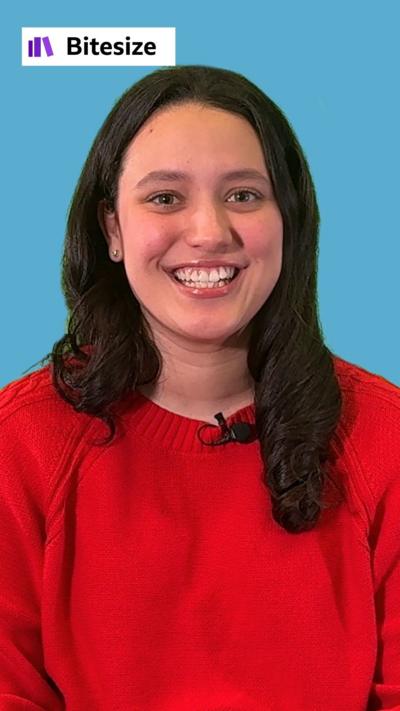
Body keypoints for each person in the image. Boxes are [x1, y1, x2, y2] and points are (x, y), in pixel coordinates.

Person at [0, 65, 399, 711]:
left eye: (244, 194)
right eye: (165, 198)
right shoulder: (19, 443)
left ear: (288, 220)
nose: (210, 231)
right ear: (111, 229)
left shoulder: (387, 439)